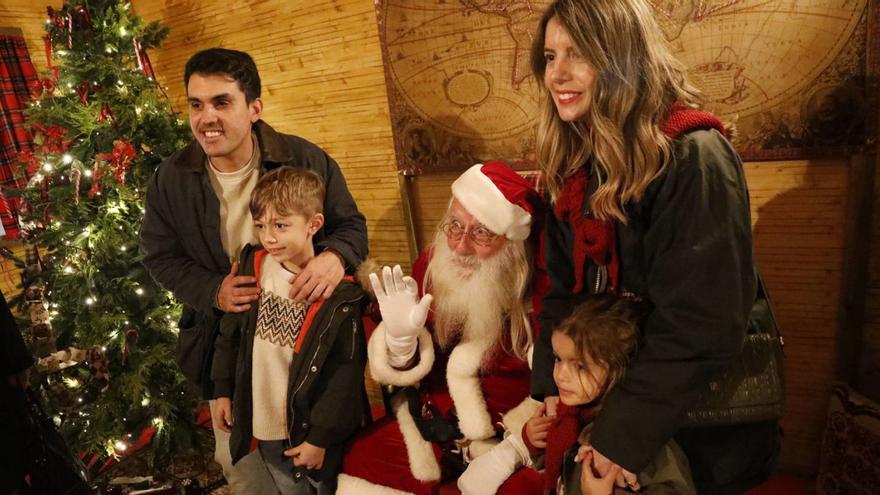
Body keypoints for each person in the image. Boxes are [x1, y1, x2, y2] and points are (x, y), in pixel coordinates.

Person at [528, 1, 780, 493]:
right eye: (550, 55)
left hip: (695, 429)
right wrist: (550, 386)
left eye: (577, 54)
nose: (557, 73)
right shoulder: (578, 165)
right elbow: (561, 292)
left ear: (621, 57)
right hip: (616, 408)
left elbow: (699, 322)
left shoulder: (694, 154)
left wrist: (619, 439)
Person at [139, 48, 368, 493]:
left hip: (305, 351)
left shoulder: (305, 159)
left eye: (222, 102)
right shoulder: (170, 178)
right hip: (227, 345)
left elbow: (351, 228)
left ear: (254, 108)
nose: (207, 117)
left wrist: (334, 256)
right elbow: (159, 256)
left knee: (323, 472)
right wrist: (213, 290)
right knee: (245, 471)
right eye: (196, 104)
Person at [338, 162, 548, 495]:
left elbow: (556, 391)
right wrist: (400, 341)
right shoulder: (432, 267)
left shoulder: (541, 291)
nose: (461, 246)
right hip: (434, 422)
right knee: (361, 459)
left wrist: (515, 447)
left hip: (508, 436)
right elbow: (410, 368)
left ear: (511, 243)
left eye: (481, 232)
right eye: (454, 226)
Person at [211, 168, 367, 494]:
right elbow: (230, 334)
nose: (269, 237)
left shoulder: (340, 296)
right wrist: (223, 390)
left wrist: (320, 437)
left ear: (313, 224)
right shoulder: (254, 267)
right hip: (264, 424)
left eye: (280, 225)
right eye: (261, 226)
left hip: (311, 430)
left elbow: (344, 374)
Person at [524, 295, 695, 495]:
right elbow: (562, 469)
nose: (560, 375)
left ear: (617, 368)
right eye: (557, 359)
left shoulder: (635, 432)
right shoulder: (569, 415)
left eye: (580, 366)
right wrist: (534, 442)